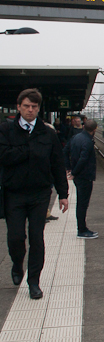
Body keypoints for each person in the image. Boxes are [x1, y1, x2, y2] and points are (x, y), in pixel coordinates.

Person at [0, 89, 69, 300]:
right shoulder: (5, 130)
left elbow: (57, 163)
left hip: (40, 193)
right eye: (27, 106)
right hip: (14, 193)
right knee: (16, 237)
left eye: (34, 107)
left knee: (37, 239)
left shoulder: (47, 133)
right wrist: (29, 149)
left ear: (38, 109)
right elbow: (4, 156)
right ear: (19, 107)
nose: (31, 110)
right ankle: (17, 263)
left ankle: (34, 282)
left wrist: (63, 193)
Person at [65, 118, 98, 239]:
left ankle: (83, 228)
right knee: (83, 205)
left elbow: (65, 151)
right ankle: (82, 230)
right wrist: (73, 172)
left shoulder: (76, 138)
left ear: (83, 126)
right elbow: (83, 159)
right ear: (94, 129)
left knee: (81, 204)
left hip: (79, 177)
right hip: (85, 176)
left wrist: (68, 167)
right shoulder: (88, 142)